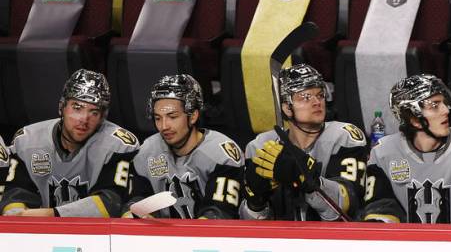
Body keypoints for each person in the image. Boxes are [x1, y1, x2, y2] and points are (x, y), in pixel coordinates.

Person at [0, 69, 140, 217]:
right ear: (61, 107)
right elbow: (15, 193)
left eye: (94, 112)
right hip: (39, 234)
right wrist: (15, 214)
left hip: (98, 237)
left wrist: (51, 215)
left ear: (102, 117)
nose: (84, 119)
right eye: (77, 108)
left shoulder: (119, 145)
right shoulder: (27, 140)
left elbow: (112, 202)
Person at [360, 74, 451, 223]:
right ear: (414, 119)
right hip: (406, 245)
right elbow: (381, 209)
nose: (446, 110)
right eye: (435, 105)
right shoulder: (383, 152)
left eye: (444, 103)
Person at [240, 64, 368, 221]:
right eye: (305, 97)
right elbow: (249, 225)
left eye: (320, 95)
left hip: (332, 240)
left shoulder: (344, 137)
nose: (316, 102)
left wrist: (309, 179)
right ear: (287, 108)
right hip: (280, 242)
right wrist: (256, 203)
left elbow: (348, 203)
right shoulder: (262, 146)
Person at [126, 74, 244, 219]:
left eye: (173, 117)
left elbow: (219, 214)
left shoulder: (222, 154)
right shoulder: (147, 151)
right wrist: (137, 214)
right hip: (161, 238)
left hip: (210, 239)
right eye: (158, 118)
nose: (163, 126)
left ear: (193, 116)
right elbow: (136, 201)